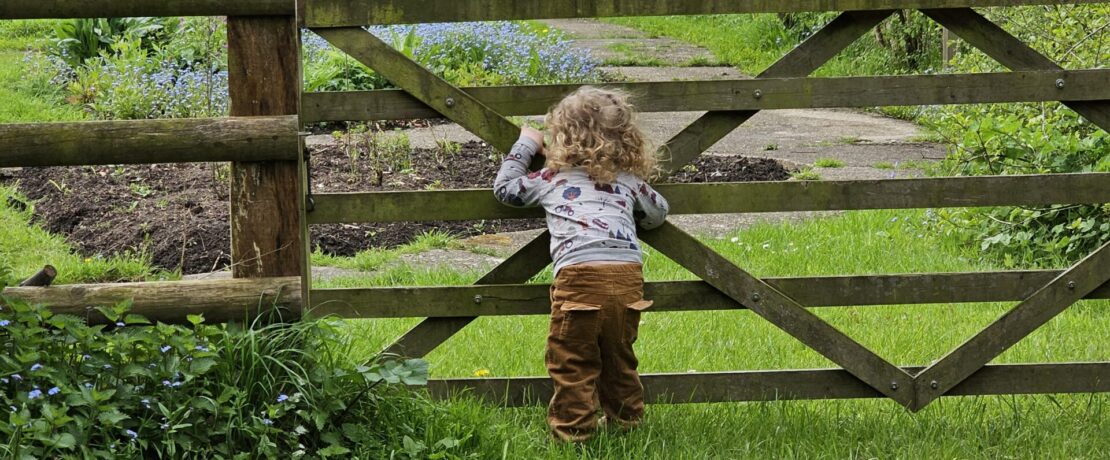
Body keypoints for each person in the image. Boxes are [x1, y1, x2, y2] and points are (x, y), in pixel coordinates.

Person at [493, 86, 670, 442]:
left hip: (579, 277)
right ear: (625, 138)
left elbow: (505, 189)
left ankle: (574, 436)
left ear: (561, 135)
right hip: (626, 277)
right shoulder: (629, 182)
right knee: (620, 359)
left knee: (572, 362)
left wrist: (527, 143)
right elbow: (658, 213)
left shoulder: (551, 179)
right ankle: (628, 428)